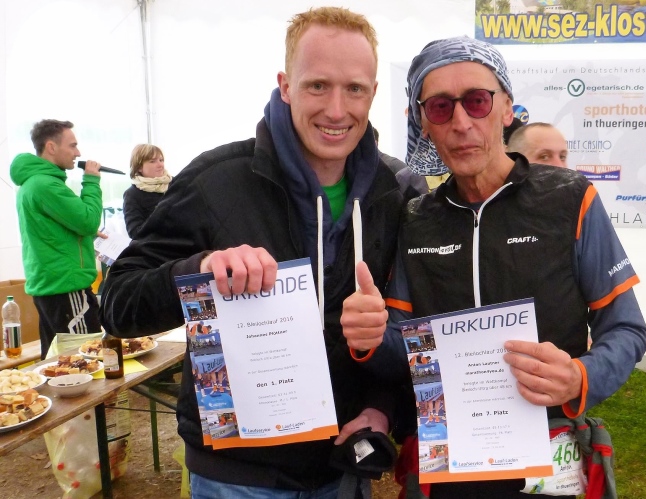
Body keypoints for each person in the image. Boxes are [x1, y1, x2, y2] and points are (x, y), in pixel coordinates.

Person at [99, 7, 412, 498]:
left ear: (372, 93)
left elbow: (401, 326)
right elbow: (117, 303)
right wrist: (199, 272)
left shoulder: (391, 194)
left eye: (354, 89)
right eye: (317, 86)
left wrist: (381, 407)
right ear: (285, 86)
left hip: (342, 468)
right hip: (237, 476)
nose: (336, 110)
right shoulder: (217, 181)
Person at [384, 36, 646, 498]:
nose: (461, 122)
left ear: (506, 107)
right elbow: (398, 344)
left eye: (477, 101)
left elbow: (626, 327)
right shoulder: (416, 219)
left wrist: (580, 377)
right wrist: (368, 340)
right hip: (450, 463)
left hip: (548, 462)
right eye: (441, 107)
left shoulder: (569, 198)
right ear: (424, 122)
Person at [10, 119, 104, 359]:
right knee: (85, 360)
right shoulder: (46, 185)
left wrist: (85, 235)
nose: (78, 153)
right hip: (67, 287)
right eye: (72, 145)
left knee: (57, 362)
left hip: (52, 286)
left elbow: (53, 230)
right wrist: (91, 180)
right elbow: (88, 220)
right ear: (51, 147)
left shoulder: (33, 183)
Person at [395, 116, 524, 201]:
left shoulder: (531, 191)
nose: (462, 126)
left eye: (478, 102)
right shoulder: (408, 179)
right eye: (441, 107)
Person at [123, 143, 172, 238]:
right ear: (139, 167)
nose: (160, 165)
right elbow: (135, 232)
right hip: (157, 244)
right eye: (152, 161)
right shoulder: (132, 194)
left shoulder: (175, 183)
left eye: (161, 160)